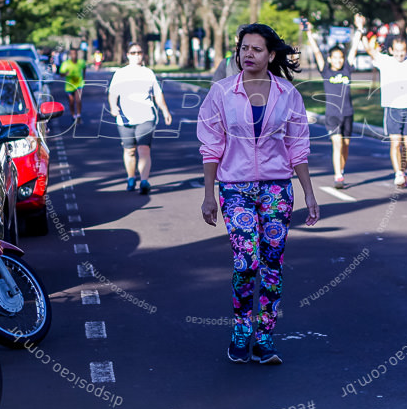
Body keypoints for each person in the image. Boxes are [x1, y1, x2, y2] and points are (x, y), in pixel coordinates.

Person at [197, 23, 320, 366]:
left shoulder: (288, 94)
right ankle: (240, 330)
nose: (248, 54)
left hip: (277, 189)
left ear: (271, 55)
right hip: (235, 188)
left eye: (256, 49)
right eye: (244, 48)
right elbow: (211, 147)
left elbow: (298, 147)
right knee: (246, 260)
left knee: (272, 265)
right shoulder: (221, 92)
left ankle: (264, 336)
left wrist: (309, 193)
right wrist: (209, 195)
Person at [356, 13, 407, 188]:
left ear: (406, 50)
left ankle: (403, 171)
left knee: (406, 144)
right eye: (397, 51)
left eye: (403, 51)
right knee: (395, 142)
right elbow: (369, 49)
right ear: (391, 50)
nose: (400, 54)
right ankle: (398, 173)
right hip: (392, 108)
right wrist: (361, 29)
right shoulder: (385, 61)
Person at [108, 42, 173, 194]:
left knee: (144, 149)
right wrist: (113, 107)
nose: (136, 55)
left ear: (143, 54)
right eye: (133, 53)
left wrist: (165, 111)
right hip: (125, 119)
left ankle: (144, 181)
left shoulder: (148, 73)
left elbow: (158, 94)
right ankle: (131, 178)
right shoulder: (120, 73)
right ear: (127, 55)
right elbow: (113, 94)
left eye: (139, 52)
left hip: (146, 117)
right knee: (129, 150)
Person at [305, 21, 363, 188]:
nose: (338, 60)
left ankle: (341, 171)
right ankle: (338, 176)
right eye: (335, 57)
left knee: (345, 146)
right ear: (330, 59)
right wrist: (309, 33)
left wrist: (359, 29)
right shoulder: (326, 70)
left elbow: (353, 48)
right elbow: (316, 52)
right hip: (332, 114)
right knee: (337, 144)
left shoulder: (346, 69)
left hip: (348, 113)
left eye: (341, 57)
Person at [58, 48, 87, 121]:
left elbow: (84, 68)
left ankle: (79, 115)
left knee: (78, 99)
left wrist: (84, 78)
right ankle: (73, 115)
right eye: (72, 54)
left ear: (77, 54)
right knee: (71, 101)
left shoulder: (81, 62)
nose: (74, 55)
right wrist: (65, 73)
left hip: (78, 84)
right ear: (70, 55)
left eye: (75, 53)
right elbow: (61, 74)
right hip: (69, 86)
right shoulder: (66, 64)